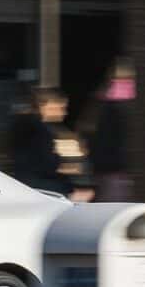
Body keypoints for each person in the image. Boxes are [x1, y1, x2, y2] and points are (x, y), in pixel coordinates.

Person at [12, 88, 86, 194]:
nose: (64, 112)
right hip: (39, 184)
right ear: (45, 105)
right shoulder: (39, 129)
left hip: (28, 181)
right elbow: (47, 162)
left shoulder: (26, 125)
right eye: (61, 107)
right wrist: (61, 163)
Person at [84, 60, 134, 201]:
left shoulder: (101, 98)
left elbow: (88, 128)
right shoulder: (131, 99)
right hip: (121, 167)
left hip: (104, 166)